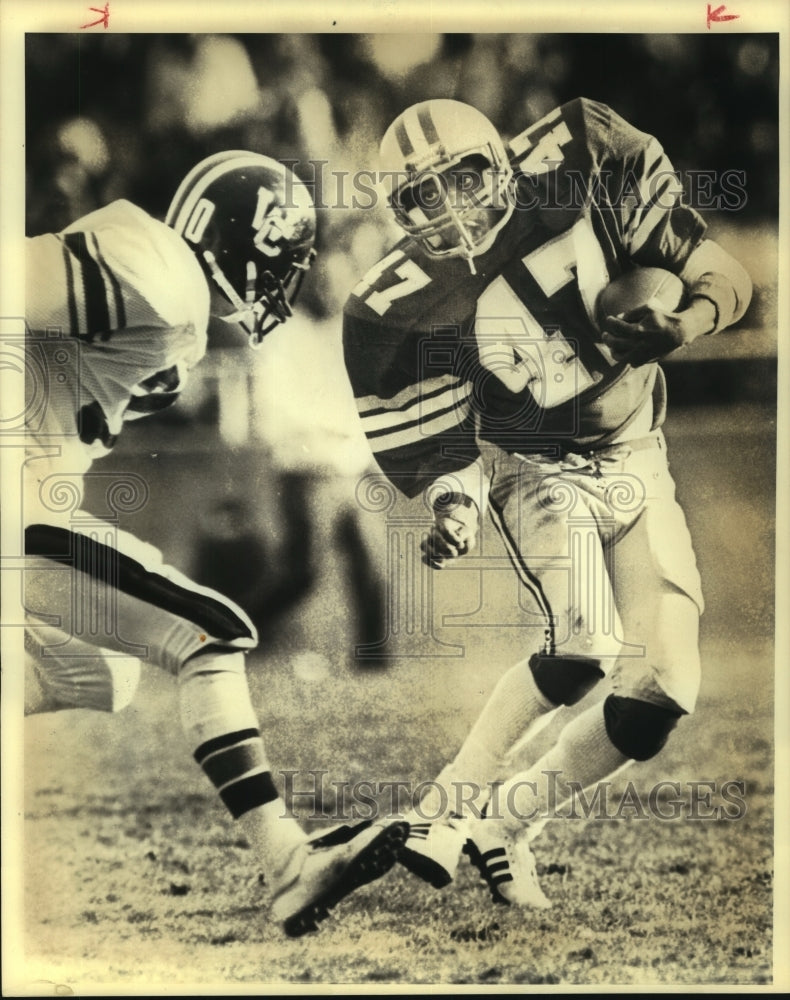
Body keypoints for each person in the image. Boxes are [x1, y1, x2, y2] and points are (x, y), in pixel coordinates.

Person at [341, 98, 752, 907]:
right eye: (424, 197)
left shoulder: (586, 156)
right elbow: (446, 445)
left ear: (500, 163)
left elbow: (722, 272)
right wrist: (454, 507)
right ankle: (445, 806)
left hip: (635, 446)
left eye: (461, 179)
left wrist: (686, 323)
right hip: (530, 463)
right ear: (398, 213)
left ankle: (507, 822)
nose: (451, 208)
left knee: (662, 692)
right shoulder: (393, 305)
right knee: (585, 643)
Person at [22, 149, 408, 937]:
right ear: (253, 242)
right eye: (284, 262)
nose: (287, 282)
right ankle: (288, 863)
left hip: (24, 508)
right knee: (208, 633)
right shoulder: (159, 270)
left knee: (104, 671)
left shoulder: (180, 310)